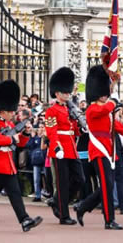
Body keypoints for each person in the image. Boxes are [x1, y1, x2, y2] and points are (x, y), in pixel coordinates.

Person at [0, 80, 42, 233]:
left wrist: (25, 132)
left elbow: (20, 144)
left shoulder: (10, 126)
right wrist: (12, 139)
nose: (13, 113)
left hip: (8, 165)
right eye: (11, 111)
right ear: (2, 111)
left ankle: (24, 220)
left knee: (15, 194)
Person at [73, 65, 123, 230]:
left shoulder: (104, 108)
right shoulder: (92, 109)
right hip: (99, 150)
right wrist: (114, 97)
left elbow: (115, 125)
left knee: (107, 185)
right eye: (103, 93)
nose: (105, 95)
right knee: (107, 185)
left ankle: (83, 206)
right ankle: (109, 220)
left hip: (109, 151)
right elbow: (109, 107)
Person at [45, 67, 85, 225]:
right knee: (62, 183)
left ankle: (57, 202)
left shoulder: (70, 108)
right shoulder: (52, 111)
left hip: (71, 148)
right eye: (65, 92)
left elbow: (73, 130)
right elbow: (51, 131)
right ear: (57, 93)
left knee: (80, 179)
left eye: (68, 92)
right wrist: (56, 147)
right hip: (60, 149)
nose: (68, 94)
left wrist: (81, 128)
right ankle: (63, 215)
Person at [26, 123, 46, 202]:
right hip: (36, 160)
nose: (40, 129)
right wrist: (32, 137)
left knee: (47, 178)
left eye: (42, 127)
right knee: (36, 179)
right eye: (39, 127)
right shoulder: (35, 137)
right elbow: (28, 145)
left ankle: (48, 193)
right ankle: (37, 195)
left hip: (44, 159)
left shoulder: (45, 137)